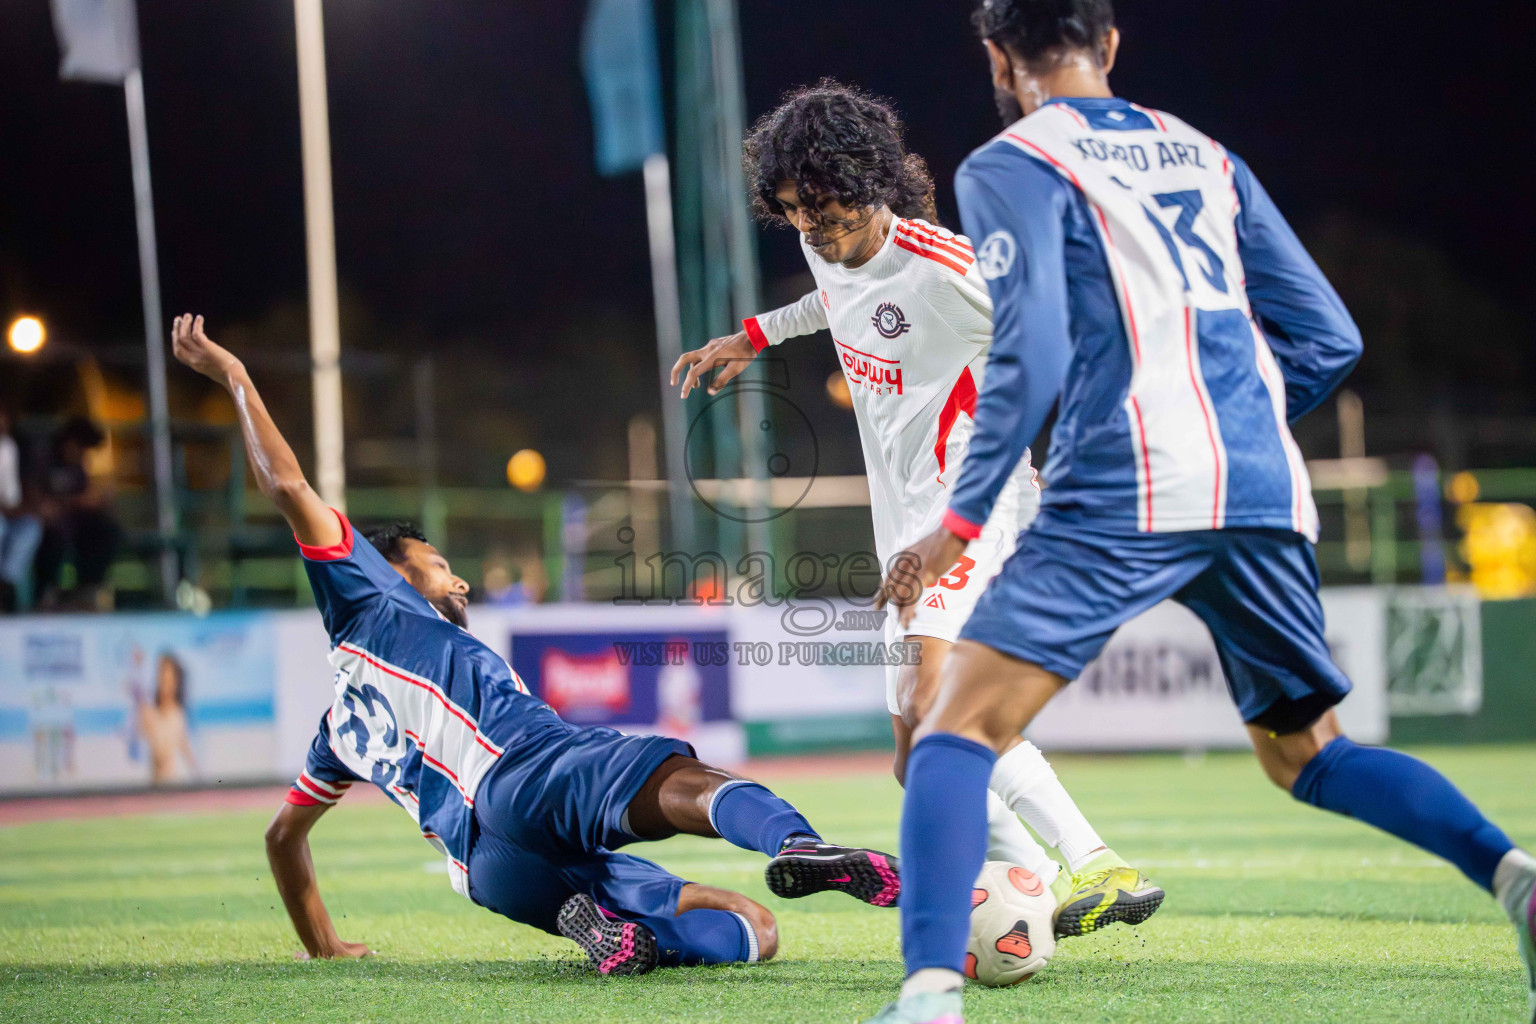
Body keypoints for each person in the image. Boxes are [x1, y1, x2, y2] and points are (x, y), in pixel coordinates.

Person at [867, 3, 1536, 1022]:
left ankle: (926, 1000)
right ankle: (1515, 879)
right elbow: (1328, 336)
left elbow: (1030, 354)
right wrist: (1237, 425)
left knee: (953, 728)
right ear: (1112, 45)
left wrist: (957, 524)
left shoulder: (1011, 162)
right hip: (1259, 485)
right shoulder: (1208, 154)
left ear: (998, 59)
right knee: (1309, 754)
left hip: (1124, 483)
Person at [170, 313, 900, 975]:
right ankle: (795, 843)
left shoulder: (336, 733)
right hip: (526, 770)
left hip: (489, 870)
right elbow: (289, 485)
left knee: (754, 928)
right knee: (683, 775)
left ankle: (616, 934)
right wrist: (235, 377)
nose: (456, 580)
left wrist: (322, 943)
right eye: (438, 562)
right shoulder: (370, 596)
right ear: (384, 566)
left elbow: (281, 838)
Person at [673, 80, 1160, 939]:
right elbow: (833, 300)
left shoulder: (942, 267)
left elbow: (1057, 331)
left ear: (871, 185)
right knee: (912, 753)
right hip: (903, 518)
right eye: (791, 211)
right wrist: (752, 336)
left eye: (823, 209)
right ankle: (1044, 879)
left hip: (972, 502)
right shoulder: (829, 246)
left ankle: (1092, 866)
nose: (810, 229)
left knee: (938, 698)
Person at [33, 416, 121, 610]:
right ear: (70, 441)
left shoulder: (77, 465)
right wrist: (74, 502)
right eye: (81, 448)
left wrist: (97, 500)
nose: (82, 454)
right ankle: (45, 593)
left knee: (106, 530)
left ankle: (87, 589)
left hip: (71, 520)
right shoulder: (42, 457)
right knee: (53, 533)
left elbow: (81, 496)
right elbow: (37, 497)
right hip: (45, 522)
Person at [0, 403, 43, 613]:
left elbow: (16, 494)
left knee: (30, 527)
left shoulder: (12, 447)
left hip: (9, 511)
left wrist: (29, 508)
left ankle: (7, 585)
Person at [136, 652, 197, 785]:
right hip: (155, 785)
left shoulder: (179, 714)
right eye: (162, 675)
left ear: (176, 680)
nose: (165, 681)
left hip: (175, 786)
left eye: (169, 677)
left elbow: (185, 748)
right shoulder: (148, 712)